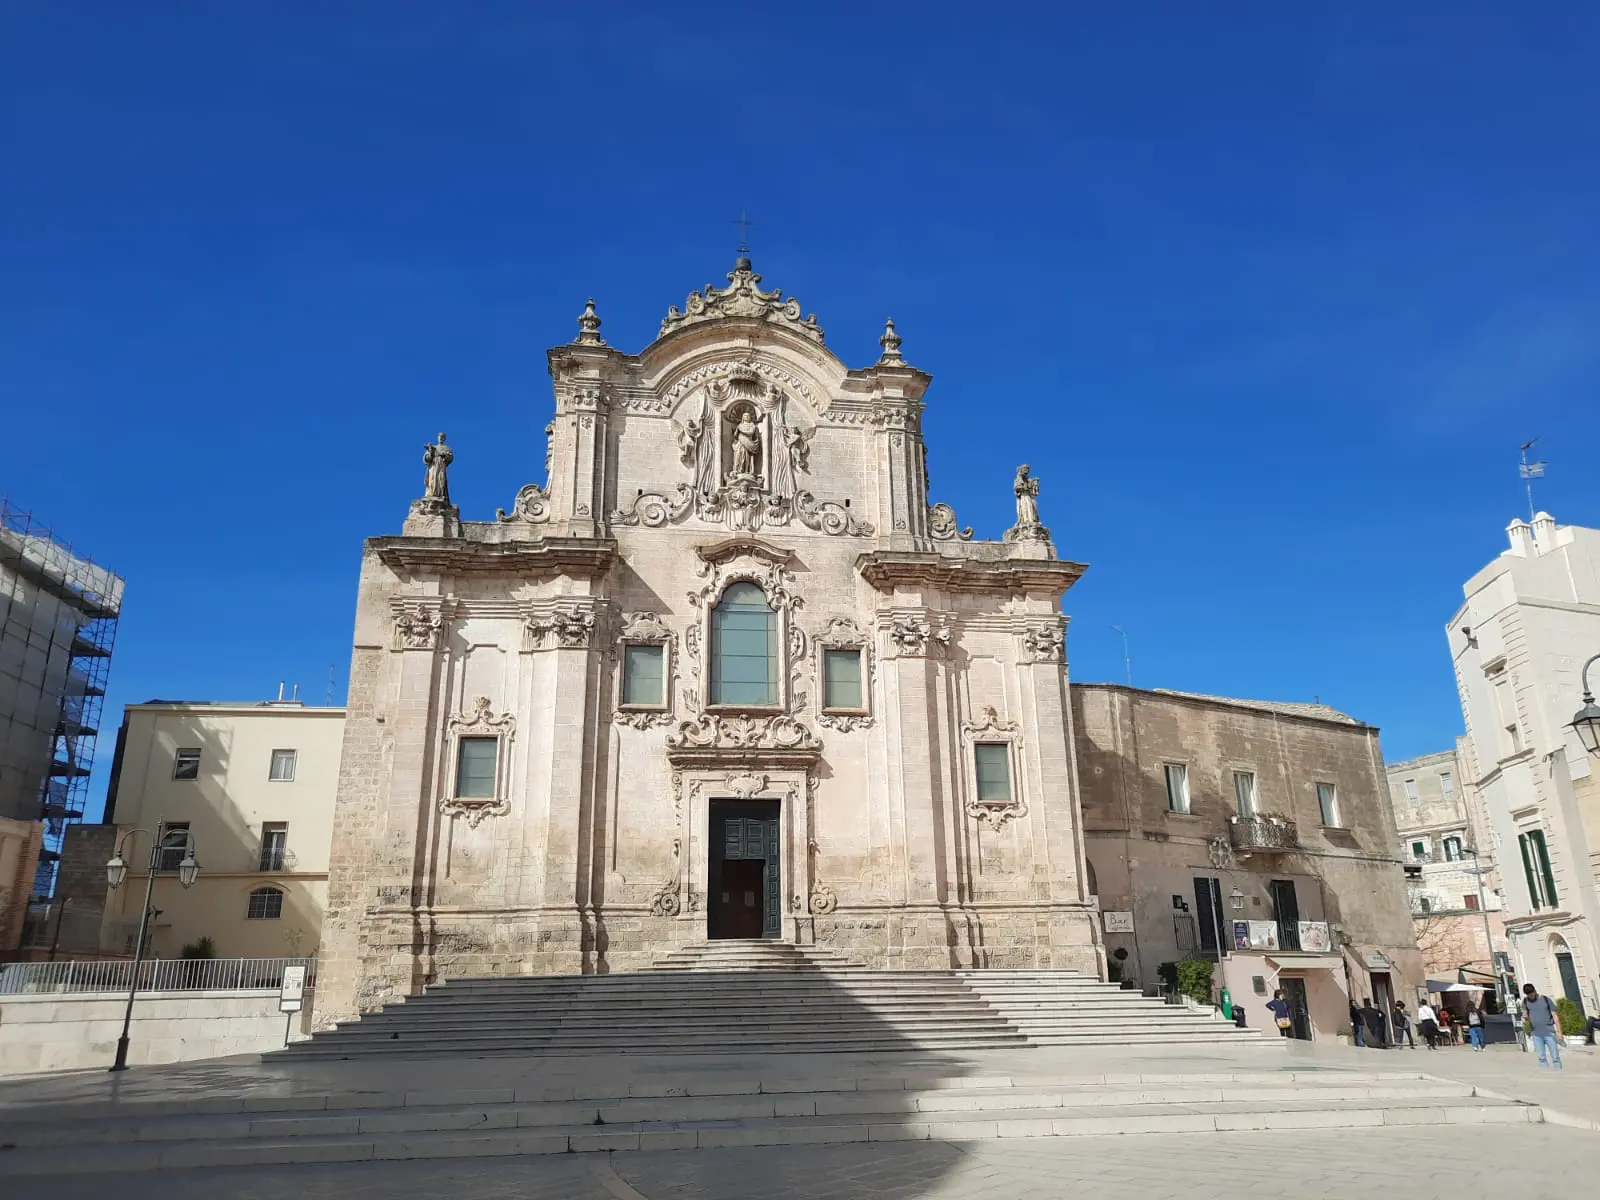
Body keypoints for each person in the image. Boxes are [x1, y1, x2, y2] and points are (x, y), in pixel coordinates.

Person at [1523, 984, 1563, 1069]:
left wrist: (1559, 1032)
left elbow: (1555, 1016)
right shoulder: (1525, 1001)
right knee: (1541, 1058)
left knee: (1555, 1057)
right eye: (1528, 995)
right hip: (1536, 1034)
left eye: (1531, 994)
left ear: (1535, 991)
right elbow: (1526, 1018)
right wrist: (1526, 1018)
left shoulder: (1546, 1000)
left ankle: (1559, 1074)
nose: (1530, 996)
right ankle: (1546, 1075)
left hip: (1549, 1032)